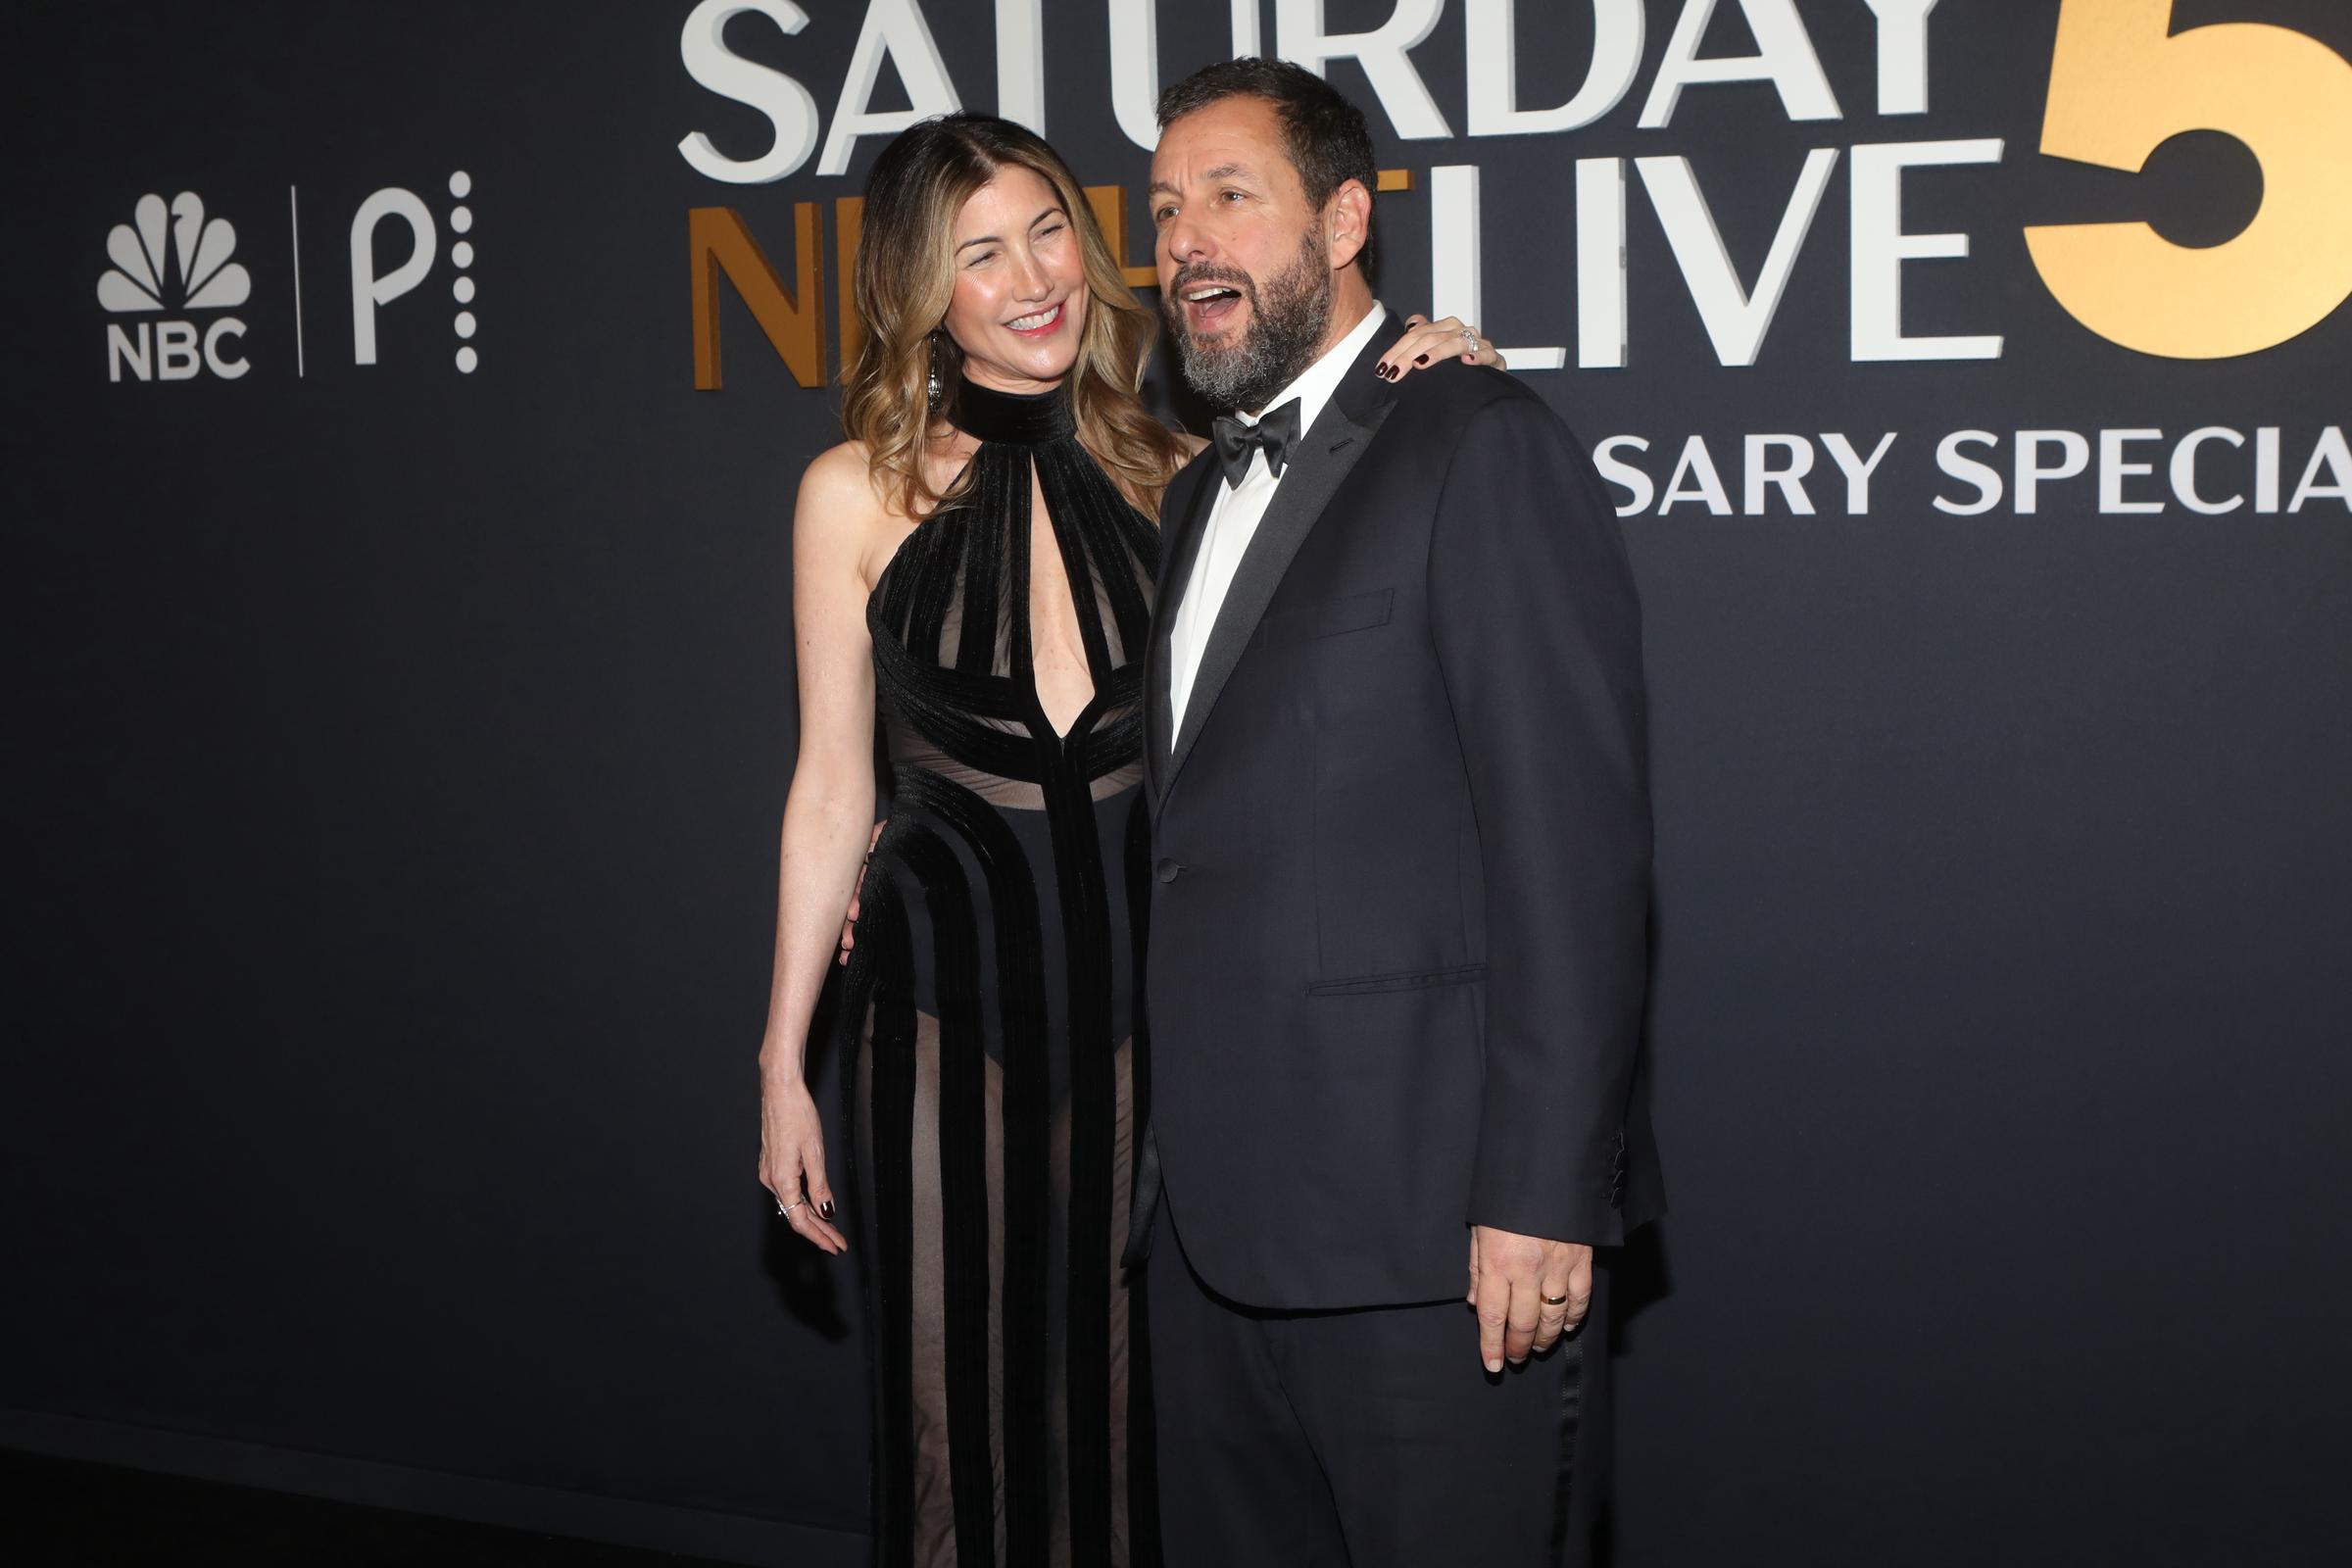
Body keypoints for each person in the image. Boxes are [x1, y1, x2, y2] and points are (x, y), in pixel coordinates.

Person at [751, 111, 1500, 1567]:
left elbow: (1357, 490)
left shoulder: (1183, 472)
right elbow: (832, 786)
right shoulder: (851, 495)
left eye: (1050, 233)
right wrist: (785, 1056)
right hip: (932, 1034)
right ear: (922, 291)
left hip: (1145, 1042)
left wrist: (1437, 370)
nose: (1034, 276)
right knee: (947, 1420)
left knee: (1122, 1431)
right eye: (981, 252)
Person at [1128, 60, 1663, 1567]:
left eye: (1232, 195)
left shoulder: (1479, 444)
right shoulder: (1187, 503)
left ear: (1347, 217)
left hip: (1440, 1244)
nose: (1189, 242)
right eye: (1166, 211)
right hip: (1207, 1237)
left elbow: (1576, 851)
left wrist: (1549, 1193)